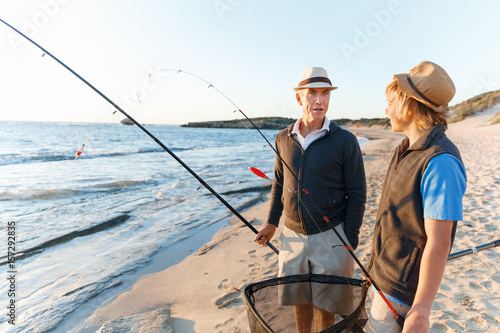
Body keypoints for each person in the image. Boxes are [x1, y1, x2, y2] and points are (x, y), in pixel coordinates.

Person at [254, 66, 366, 332]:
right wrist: (271, 223)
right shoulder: (283, 138)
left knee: (326, 305)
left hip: (332, 234)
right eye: (312, 93)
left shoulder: (345, 141)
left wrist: (350, 238)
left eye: (325, 93)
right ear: (298, 98)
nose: (320, 100)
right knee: (298, 299)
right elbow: (279, 184)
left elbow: (358, 193)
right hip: (291, 235)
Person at [365, 61, 467, 333]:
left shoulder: (440, 162)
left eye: (390, 102)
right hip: (382, 278)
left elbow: (439, 241)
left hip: (400, 294)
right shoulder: (406, 148)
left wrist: (422, 307)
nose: (385, 110)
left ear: (409, 105)